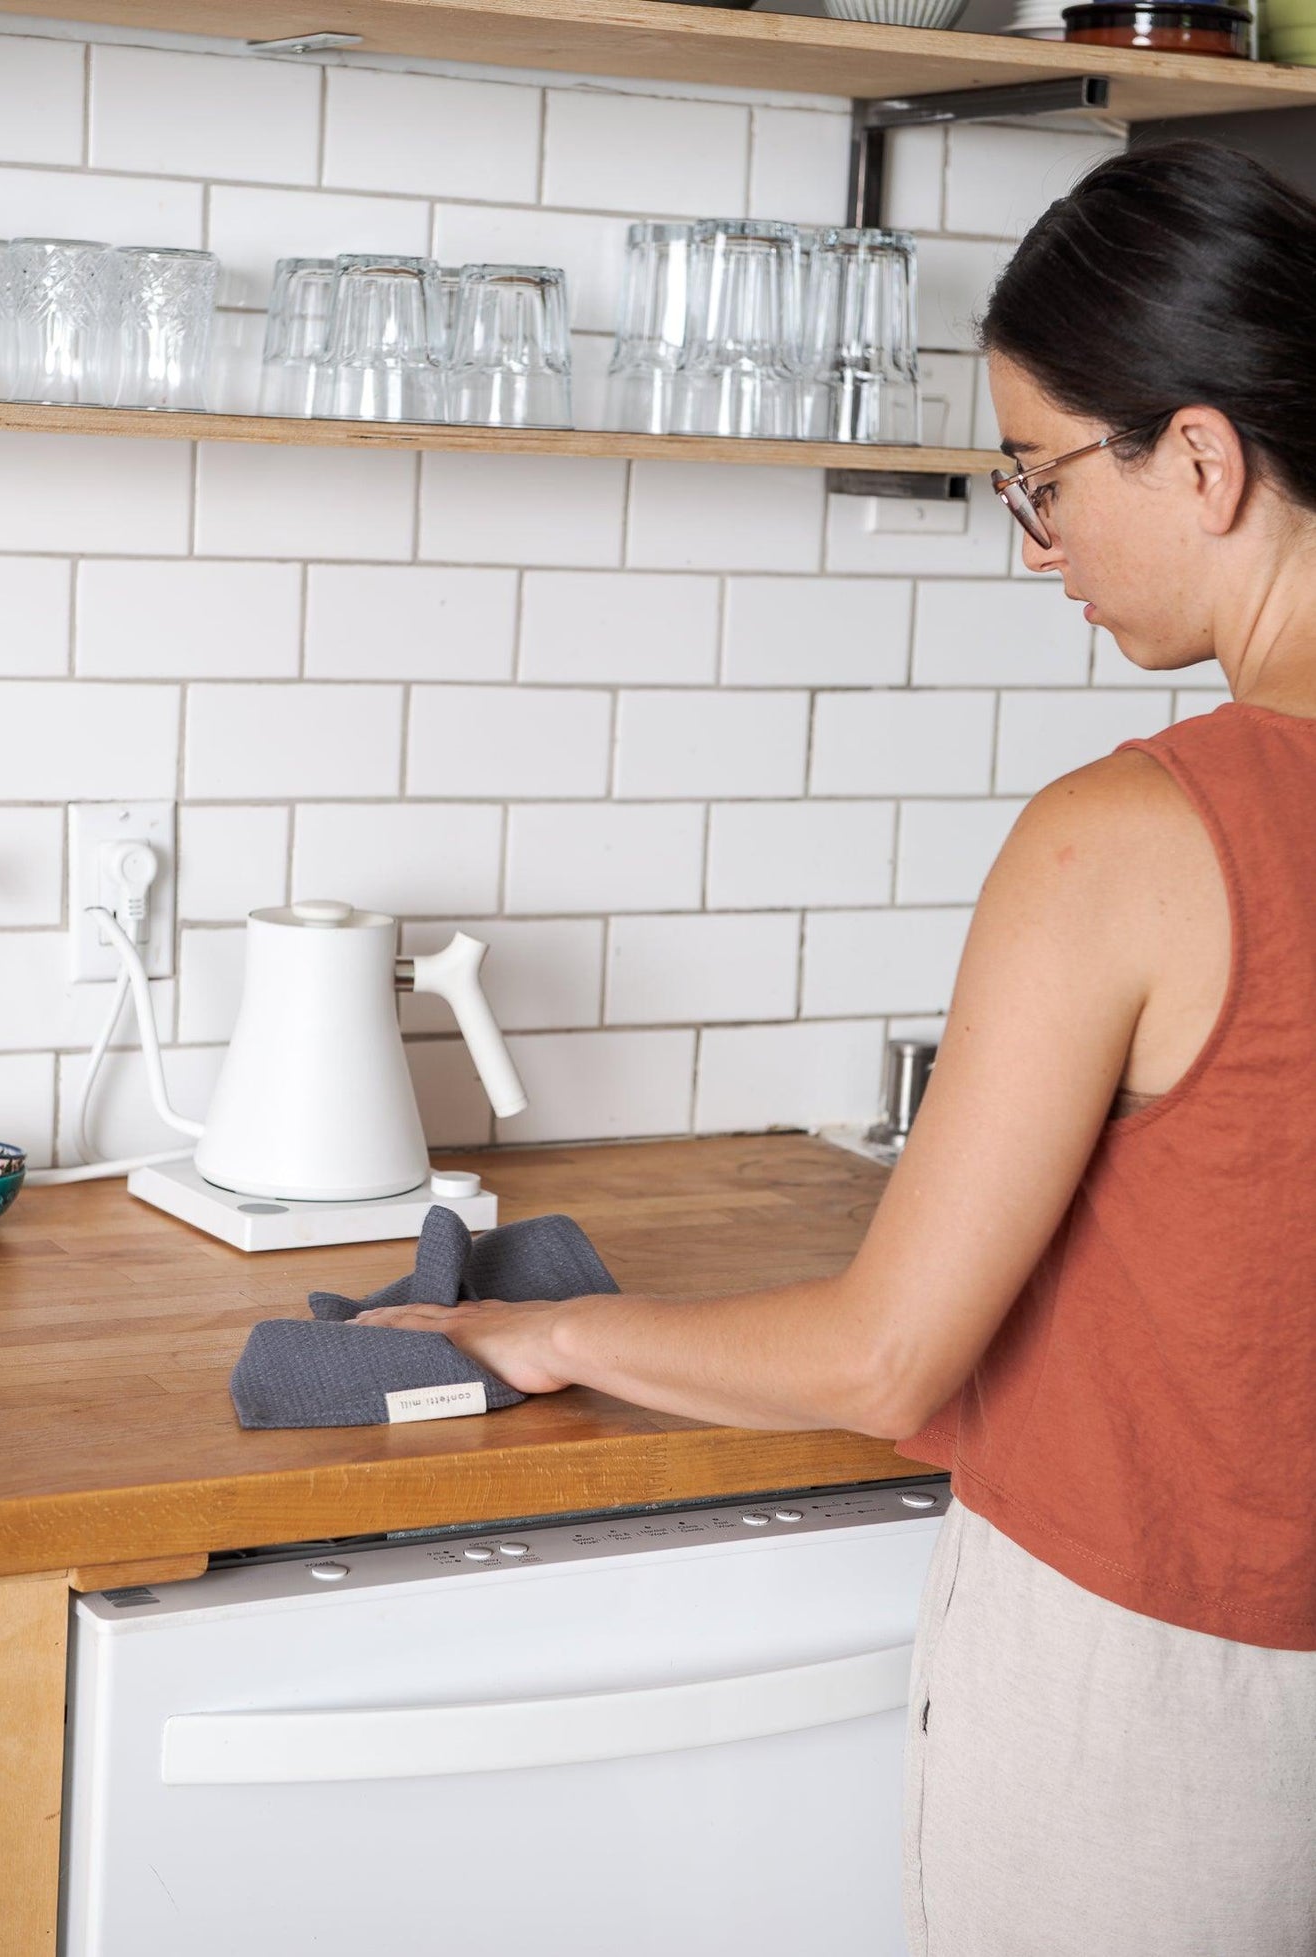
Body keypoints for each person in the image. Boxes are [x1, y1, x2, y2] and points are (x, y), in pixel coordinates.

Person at [352, 141, 1316, 1955]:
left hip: (1151, 1714)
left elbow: (883, 1356)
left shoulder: (1129, 834)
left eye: (1040, 481)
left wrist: (535, 1325)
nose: (1041, 553)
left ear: (1196, 458)